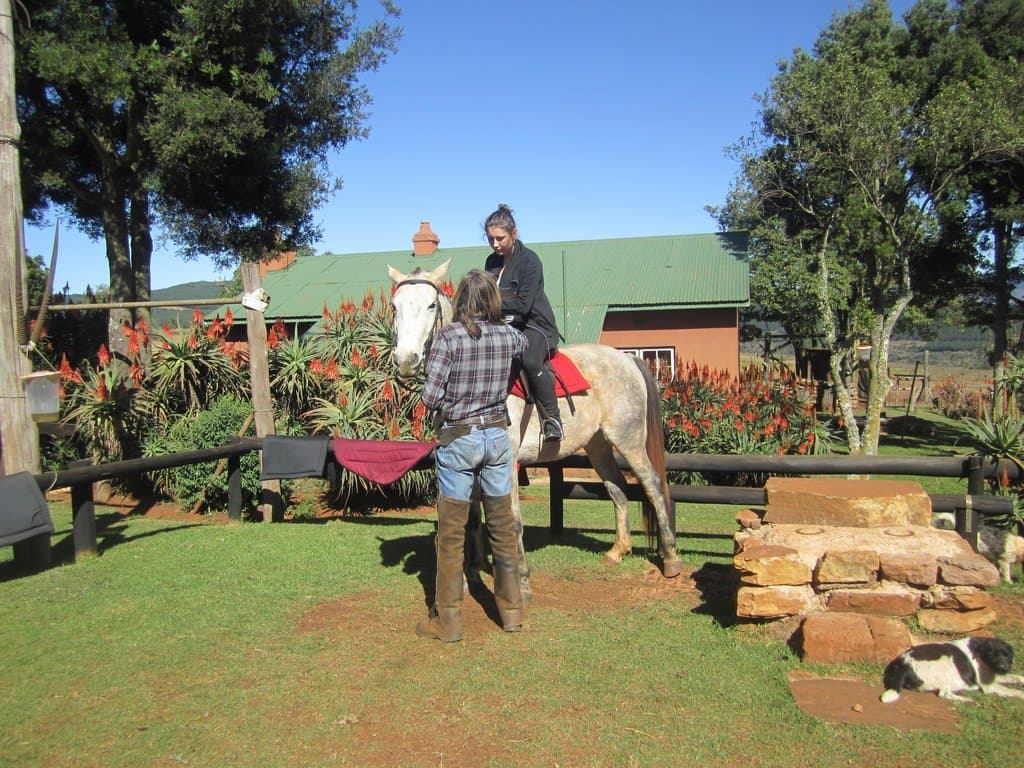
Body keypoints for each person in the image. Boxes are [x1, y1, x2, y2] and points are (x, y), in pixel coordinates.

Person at [416, 269, 528, 642]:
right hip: (497, 437)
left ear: (461, 299)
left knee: (450, 534)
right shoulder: (509, 337)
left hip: (459, 439)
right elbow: (524, 346)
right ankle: (511, 613)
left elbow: (429, 399)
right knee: (502, 527)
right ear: (493, 301)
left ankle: (447, 621)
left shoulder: (448, 338)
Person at [483, 204, 564, 443]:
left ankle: (552, 420)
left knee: (529, 359)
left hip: (536, 326)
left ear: (514, 233)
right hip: (504, 328)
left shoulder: (530, 262)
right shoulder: (491, 262)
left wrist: (490, 306)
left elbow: (523, 306)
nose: (495, 244)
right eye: (491, 239)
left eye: (500, 238)